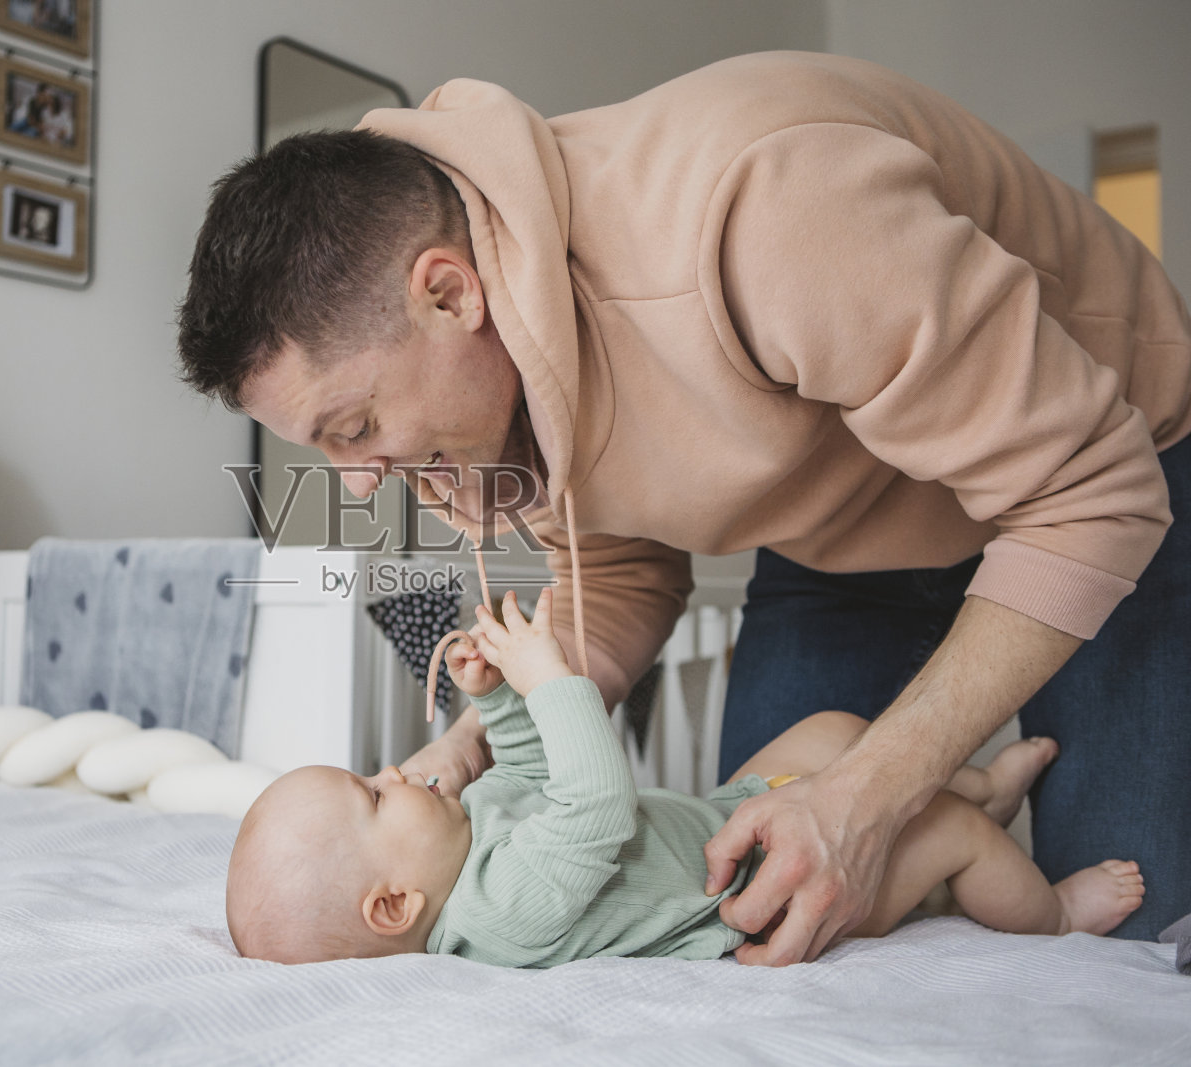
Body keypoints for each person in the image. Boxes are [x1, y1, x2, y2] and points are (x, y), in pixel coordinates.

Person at [177, 51, 1191, 955]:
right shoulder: (479, 403)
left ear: (449, 296)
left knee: (1136, 939)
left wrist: (873, 793)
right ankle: (960, 799)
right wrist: (473, 736)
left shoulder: (768, 205)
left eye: (352, 427)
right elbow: (617, 571)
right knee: (763, 889)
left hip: (1103, 481)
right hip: (833, 533)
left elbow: (1093, 495)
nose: (355, 481)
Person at [226, 588, 1145, 966]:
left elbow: (548, 774)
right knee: (945, 833)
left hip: (724, 817)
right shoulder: (493, 912)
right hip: (763, 896)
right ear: (393, 906)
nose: (394, 770)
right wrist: (552, 680)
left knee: (833, 731)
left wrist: (500, 700)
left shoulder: (471, 834)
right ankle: (1051, 910)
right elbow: (593, 802)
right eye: (373, 794)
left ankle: (982, 787)